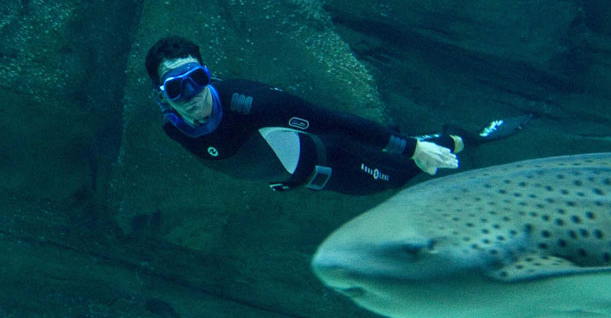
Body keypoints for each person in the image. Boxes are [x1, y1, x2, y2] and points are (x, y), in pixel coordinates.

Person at [145, 36, 530, 195]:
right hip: (305, 179)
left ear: (208, 73)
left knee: (403, 173)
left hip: (337, 160)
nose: (191, 94)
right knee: (400, 160)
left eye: (196, 78)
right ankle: (414, 142)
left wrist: (412, 148)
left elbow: (334, 121)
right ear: (162, 97)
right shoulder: (172, 128)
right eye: (176, 88)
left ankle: (464, 137)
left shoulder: (253, 105)